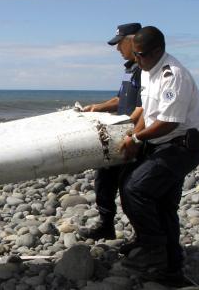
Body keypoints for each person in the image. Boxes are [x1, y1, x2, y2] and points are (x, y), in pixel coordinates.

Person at [119, 26, 199, 285]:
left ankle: (153, 249)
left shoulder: (173, 76)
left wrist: (136, 139)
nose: (137, 60)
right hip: (162, 144)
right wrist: (136, 138)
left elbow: (169, 122)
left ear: (158, 51)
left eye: (142, 55)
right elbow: (148, 112)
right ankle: (171, 269)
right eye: (135, 55)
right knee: (162, 205)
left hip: (182, 147)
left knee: (136, 189)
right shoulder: (148, 70)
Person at [79, 23, 143, 241]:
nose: (117, 49)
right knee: (104, 179)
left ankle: (141, 236)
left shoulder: (145, 70)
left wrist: (131, 135)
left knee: (130, 188)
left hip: (134, 136)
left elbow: (143, 109)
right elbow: (120, 100)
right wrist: (97, 107)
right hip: (120, 132)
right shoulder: (129, 69)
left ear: (133, 41)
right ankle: (106, 224)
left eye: (120, 44)